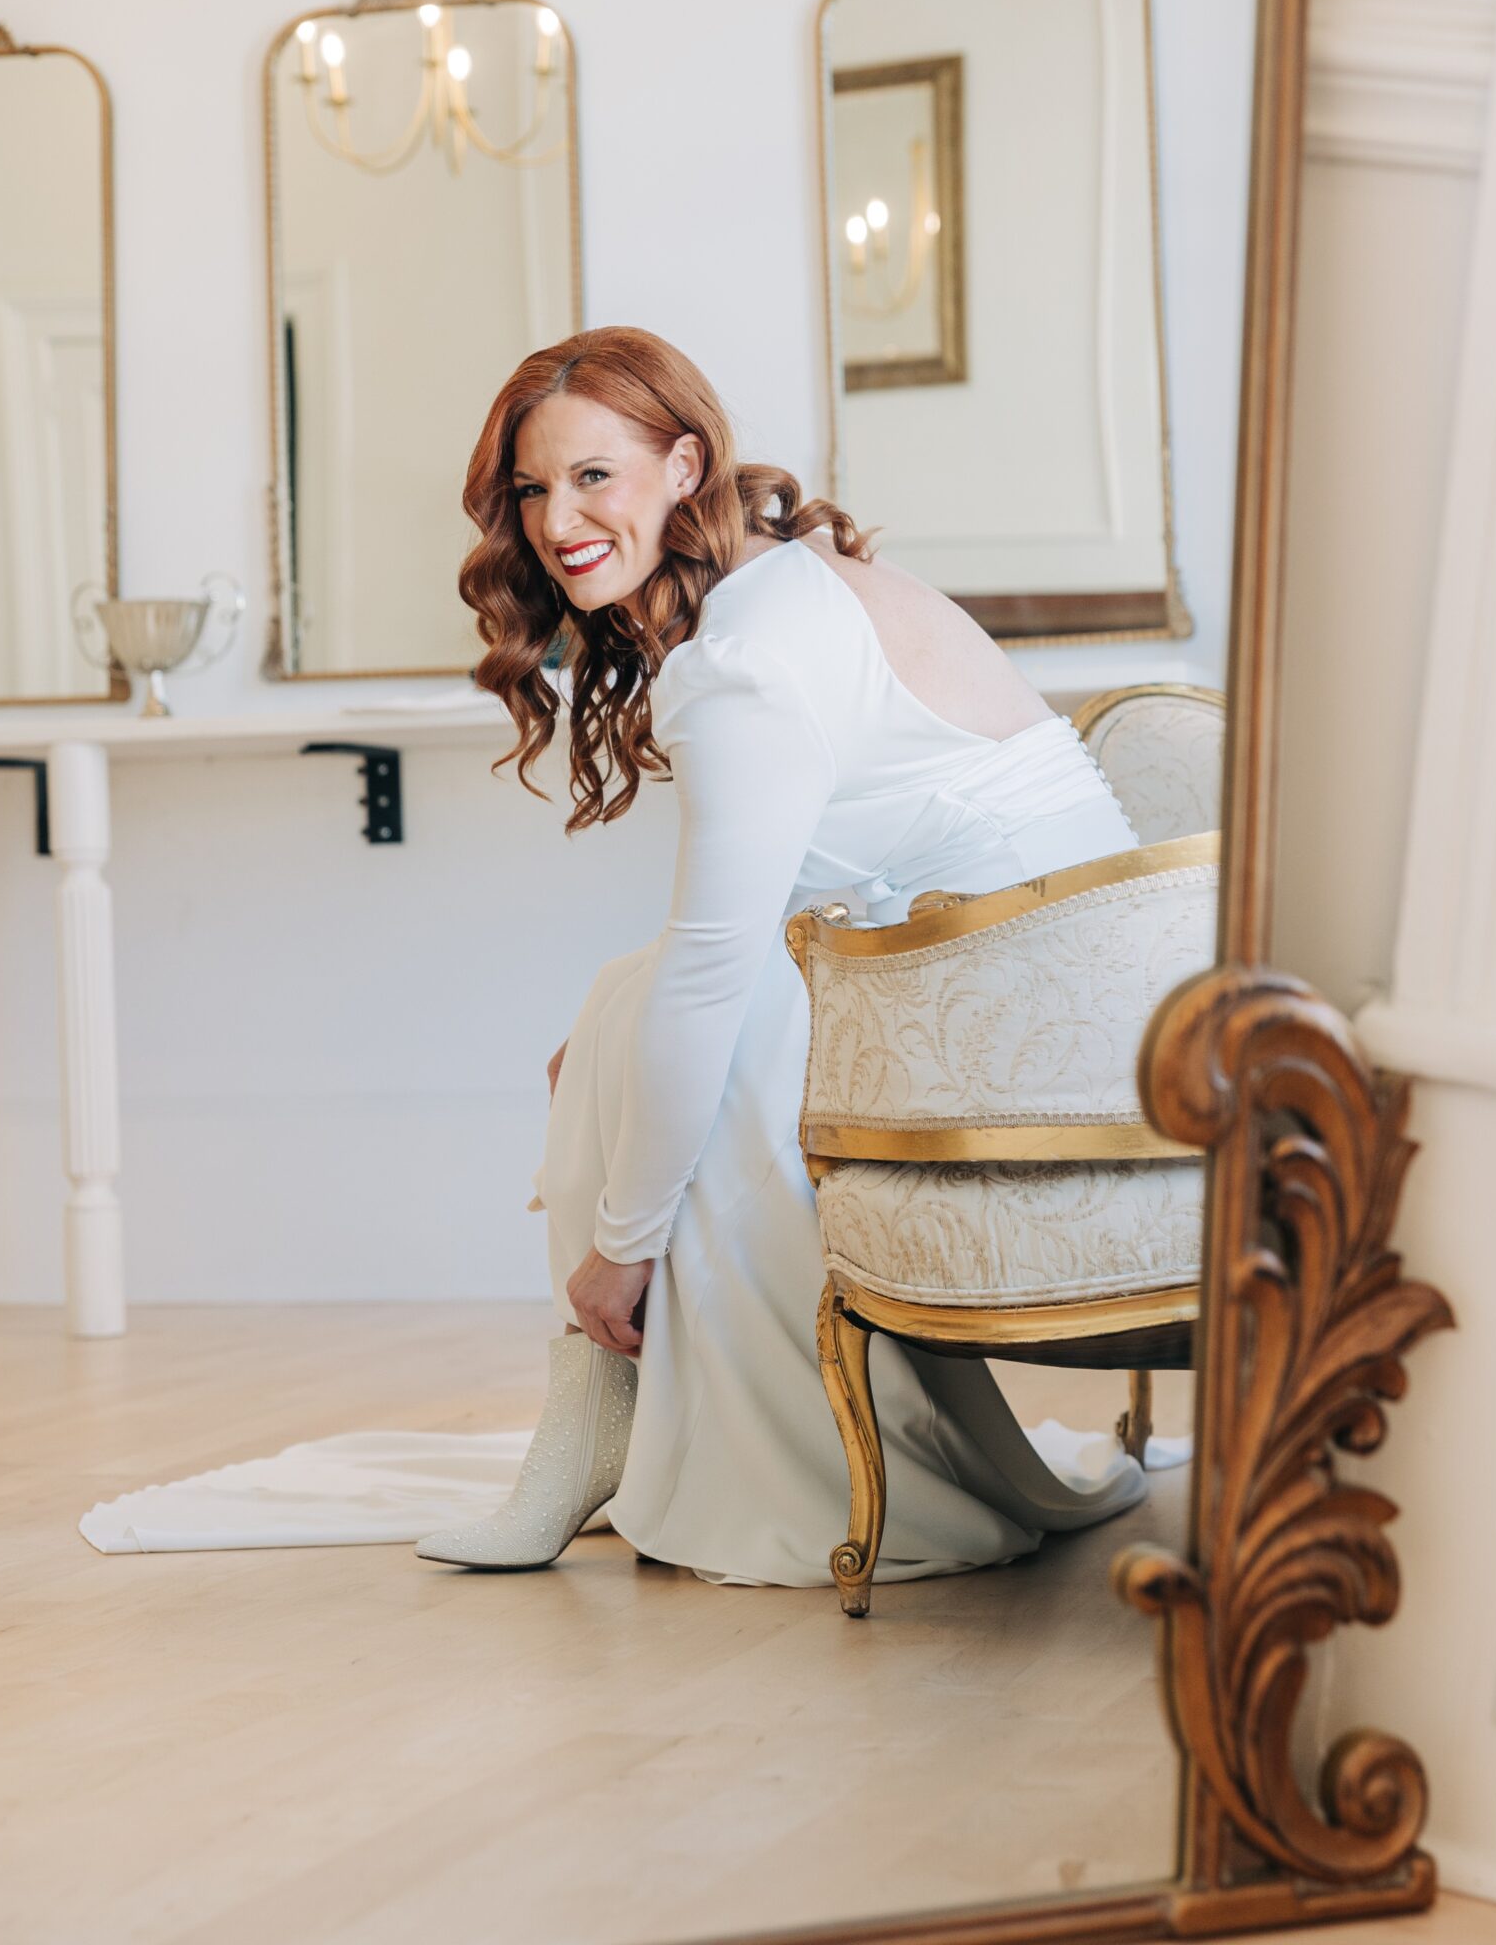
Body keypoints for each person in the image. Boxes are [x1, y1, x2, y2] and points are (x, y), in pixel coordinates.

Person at [416, 327, 1147, 1586]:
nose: (556, 520)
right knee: (626, 1004)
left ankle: (594, 1410)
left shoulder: (750, 655)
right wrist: (616, 1042)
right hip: (1058, 994)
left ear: (685, 461)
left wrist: (621, 1240)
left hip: (1034, 1023)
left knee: (665, 1009)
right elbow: (743, 940)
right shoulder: (788, 589)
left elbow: (715, 969)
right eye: (534, 490)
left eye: (595, 475)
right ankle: (595, 1423)